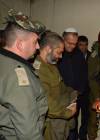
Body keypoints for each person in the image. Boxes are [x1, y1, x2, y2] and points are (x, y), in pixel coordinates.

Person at [0, 9, 48, 140]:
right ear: (20, 45)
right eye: (35, 42)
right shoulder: (18, 73)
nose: (38, 46)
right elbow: (27, 130)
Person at [33, 31, 78, 140]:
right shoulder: (38, 69)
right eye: (59, 52)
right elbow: (46, 103)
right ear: (48, 49)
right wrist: (68, 112)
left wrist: (73, 93)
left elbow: (61, 87)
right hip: (47, 126)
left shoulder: (52, 66)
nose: (61, 56)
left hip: (57, 122)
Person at [58, 28, 88, 140]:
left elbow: (84, 74)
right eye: (69, 43)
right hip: (60, 97)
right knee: (61, 127)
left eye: (75, 44)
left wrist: (79, 90)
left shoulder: (78, 54)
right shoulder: (57, 52)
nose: (72, 46)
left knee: (72, 125)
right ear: (63, 39)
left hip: (75, 96)